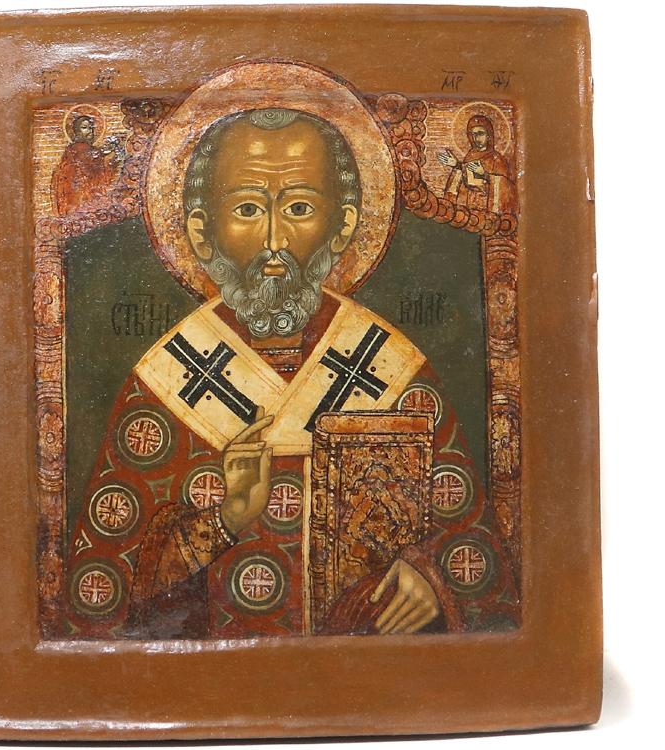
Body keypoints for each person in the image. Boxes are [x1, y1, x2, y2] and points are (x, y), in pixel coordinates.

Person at [66, 108, 519, 639]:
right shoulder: (167, 376)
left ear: (342, 227)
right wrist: (229, 518)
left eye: (299, 207)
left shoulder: (391, 367)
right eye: (248, 209)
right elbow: (102, 598)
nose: (274, 241)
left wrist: (431, 582)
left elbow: (477, 568)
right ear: (202, 233)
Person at [439, 114, 517, 214]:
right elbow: (465, 179)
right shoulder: (470, 156)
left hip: (486, 206)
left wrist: (485, 175)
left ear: (488, 136)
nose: (477, 138)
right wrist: (457, 165)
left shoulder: (497, 159)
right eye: (474, 134)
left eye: (480, 134)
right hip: (468, 204)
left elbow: (506, 187)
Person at [51, 114, 122, 215]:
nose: (89, 131)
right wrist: (105, 150)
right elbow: (90, 157)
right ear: (77, 131)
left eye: (91, 128)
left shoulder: (92, 151)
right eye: (84, 127)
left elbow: (102, 173)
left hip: (90, 193)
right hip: (76, 194)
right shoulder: (75, 149)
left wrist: (112, 160)